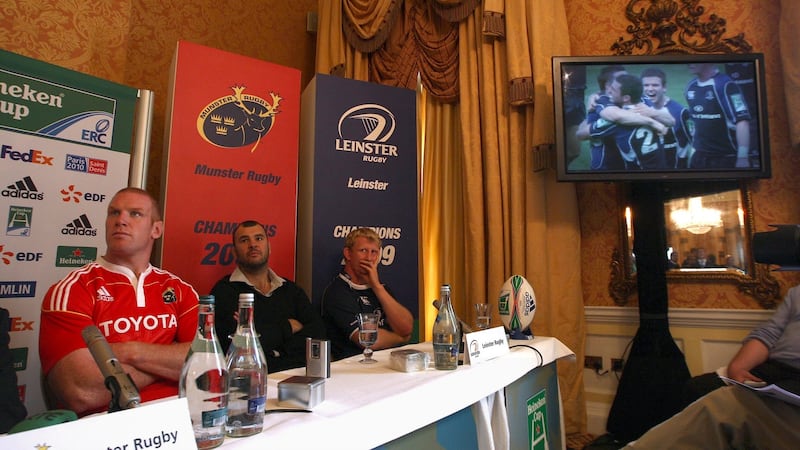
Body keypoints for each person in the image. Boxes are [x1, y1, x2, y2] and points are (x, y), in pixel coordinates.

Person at [39, 187, 199, 417]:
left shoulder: (180, 290)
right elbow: (81, 390)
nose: (121, 220)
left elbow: (207, 365)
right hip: (110, 427)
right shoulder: (73, 289)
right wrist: (172, 361)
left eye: (135, 214)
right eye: (114, 213)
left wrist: (129, 352)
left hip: (182, 418)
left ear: (156, 229)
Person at [210, 220, 325, 373]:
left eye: (259, 238)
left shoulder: (291, 290)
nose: (253, 245)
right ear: (234, 252)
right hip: (254, 382)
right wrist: (288, 327)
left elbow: (318, 332)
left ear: (269, 247)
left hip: (301, 375)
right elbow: (237, 347)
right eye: (244, 240)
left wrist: (274, 350)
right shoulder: (224, 292)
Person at [681, 282, 800, 407]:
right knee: (698, 388)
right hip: (775, 367)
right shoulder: (796, 292)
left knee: (760, 408)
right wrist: (737, 368)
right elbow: (769, 333)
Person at [319, 227, 414, 360]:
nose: (369, 258)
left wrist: (376, 286)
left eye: (374, 252)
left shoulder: (381, 288)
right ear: (348, 253)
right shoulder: (337, 292)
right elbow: (368, 340)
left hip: (389, 362)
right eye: (363, 251)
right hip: (354, 367)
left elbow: (407, 327)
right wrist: (400, 338)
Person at [589, 74, 670, 170]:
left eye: (614, 90)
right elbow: (671, 121)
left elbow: (583, 134)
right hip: (662, 172)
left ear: (626, 98)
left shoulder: (617, 122)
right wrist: (653, 120)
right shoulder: (648, 105)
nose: (609, 91)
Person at [685, 63, 751, 169]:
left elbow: (742, 121)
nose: (689, 63)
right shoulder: (690, 86)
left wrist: (742, 157)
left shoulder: (725, 85)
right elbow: (695, 121)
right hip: (699, 157)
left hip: (725, 157)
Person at [640, 67, 693, 168]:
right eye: (646, 85)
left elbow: (694, 142)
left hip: (676, 171)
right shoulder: (639, 110)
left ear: (664, 87)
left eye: (655, 85)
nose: (650, 89)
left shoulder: (680, 112)